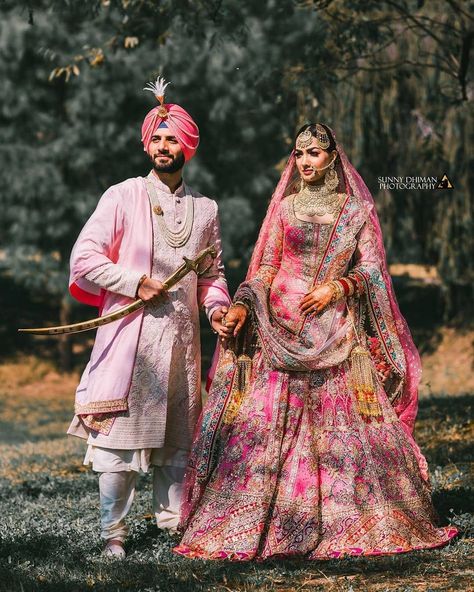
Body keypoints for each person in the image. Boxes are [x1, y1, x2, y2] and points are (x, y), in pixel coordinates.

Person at [174, 123, 458, 560]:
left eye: (315, 153)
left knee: (343, 431)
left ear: (332, 159)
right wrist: (244, 307)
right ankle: (258, 521)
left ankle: (349, 517)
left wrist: (336, 288)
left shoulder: (353, 210)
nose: (305, 161)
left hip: (333, 330)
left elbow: (372, 272)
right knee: (263, 429)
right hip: (279, 329)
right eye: (299, 153)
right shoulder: (285, 209)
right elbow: (265, 268)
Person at [66, 77, 232, 558]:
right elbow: (84, 259)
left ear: (188, 146)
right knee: (119, 443)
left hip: (181, 344)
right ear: (147, 143)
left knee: (178, 444)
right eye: (157, 138)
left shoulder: (205, 209)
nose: (164, 146)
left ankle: (173, 526)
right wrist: (135, 282)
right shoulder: (121, 196)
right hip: (130, 341)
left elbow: (212, 274)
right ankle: (112, 535)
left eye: (172, 138)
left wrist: (217, 308)